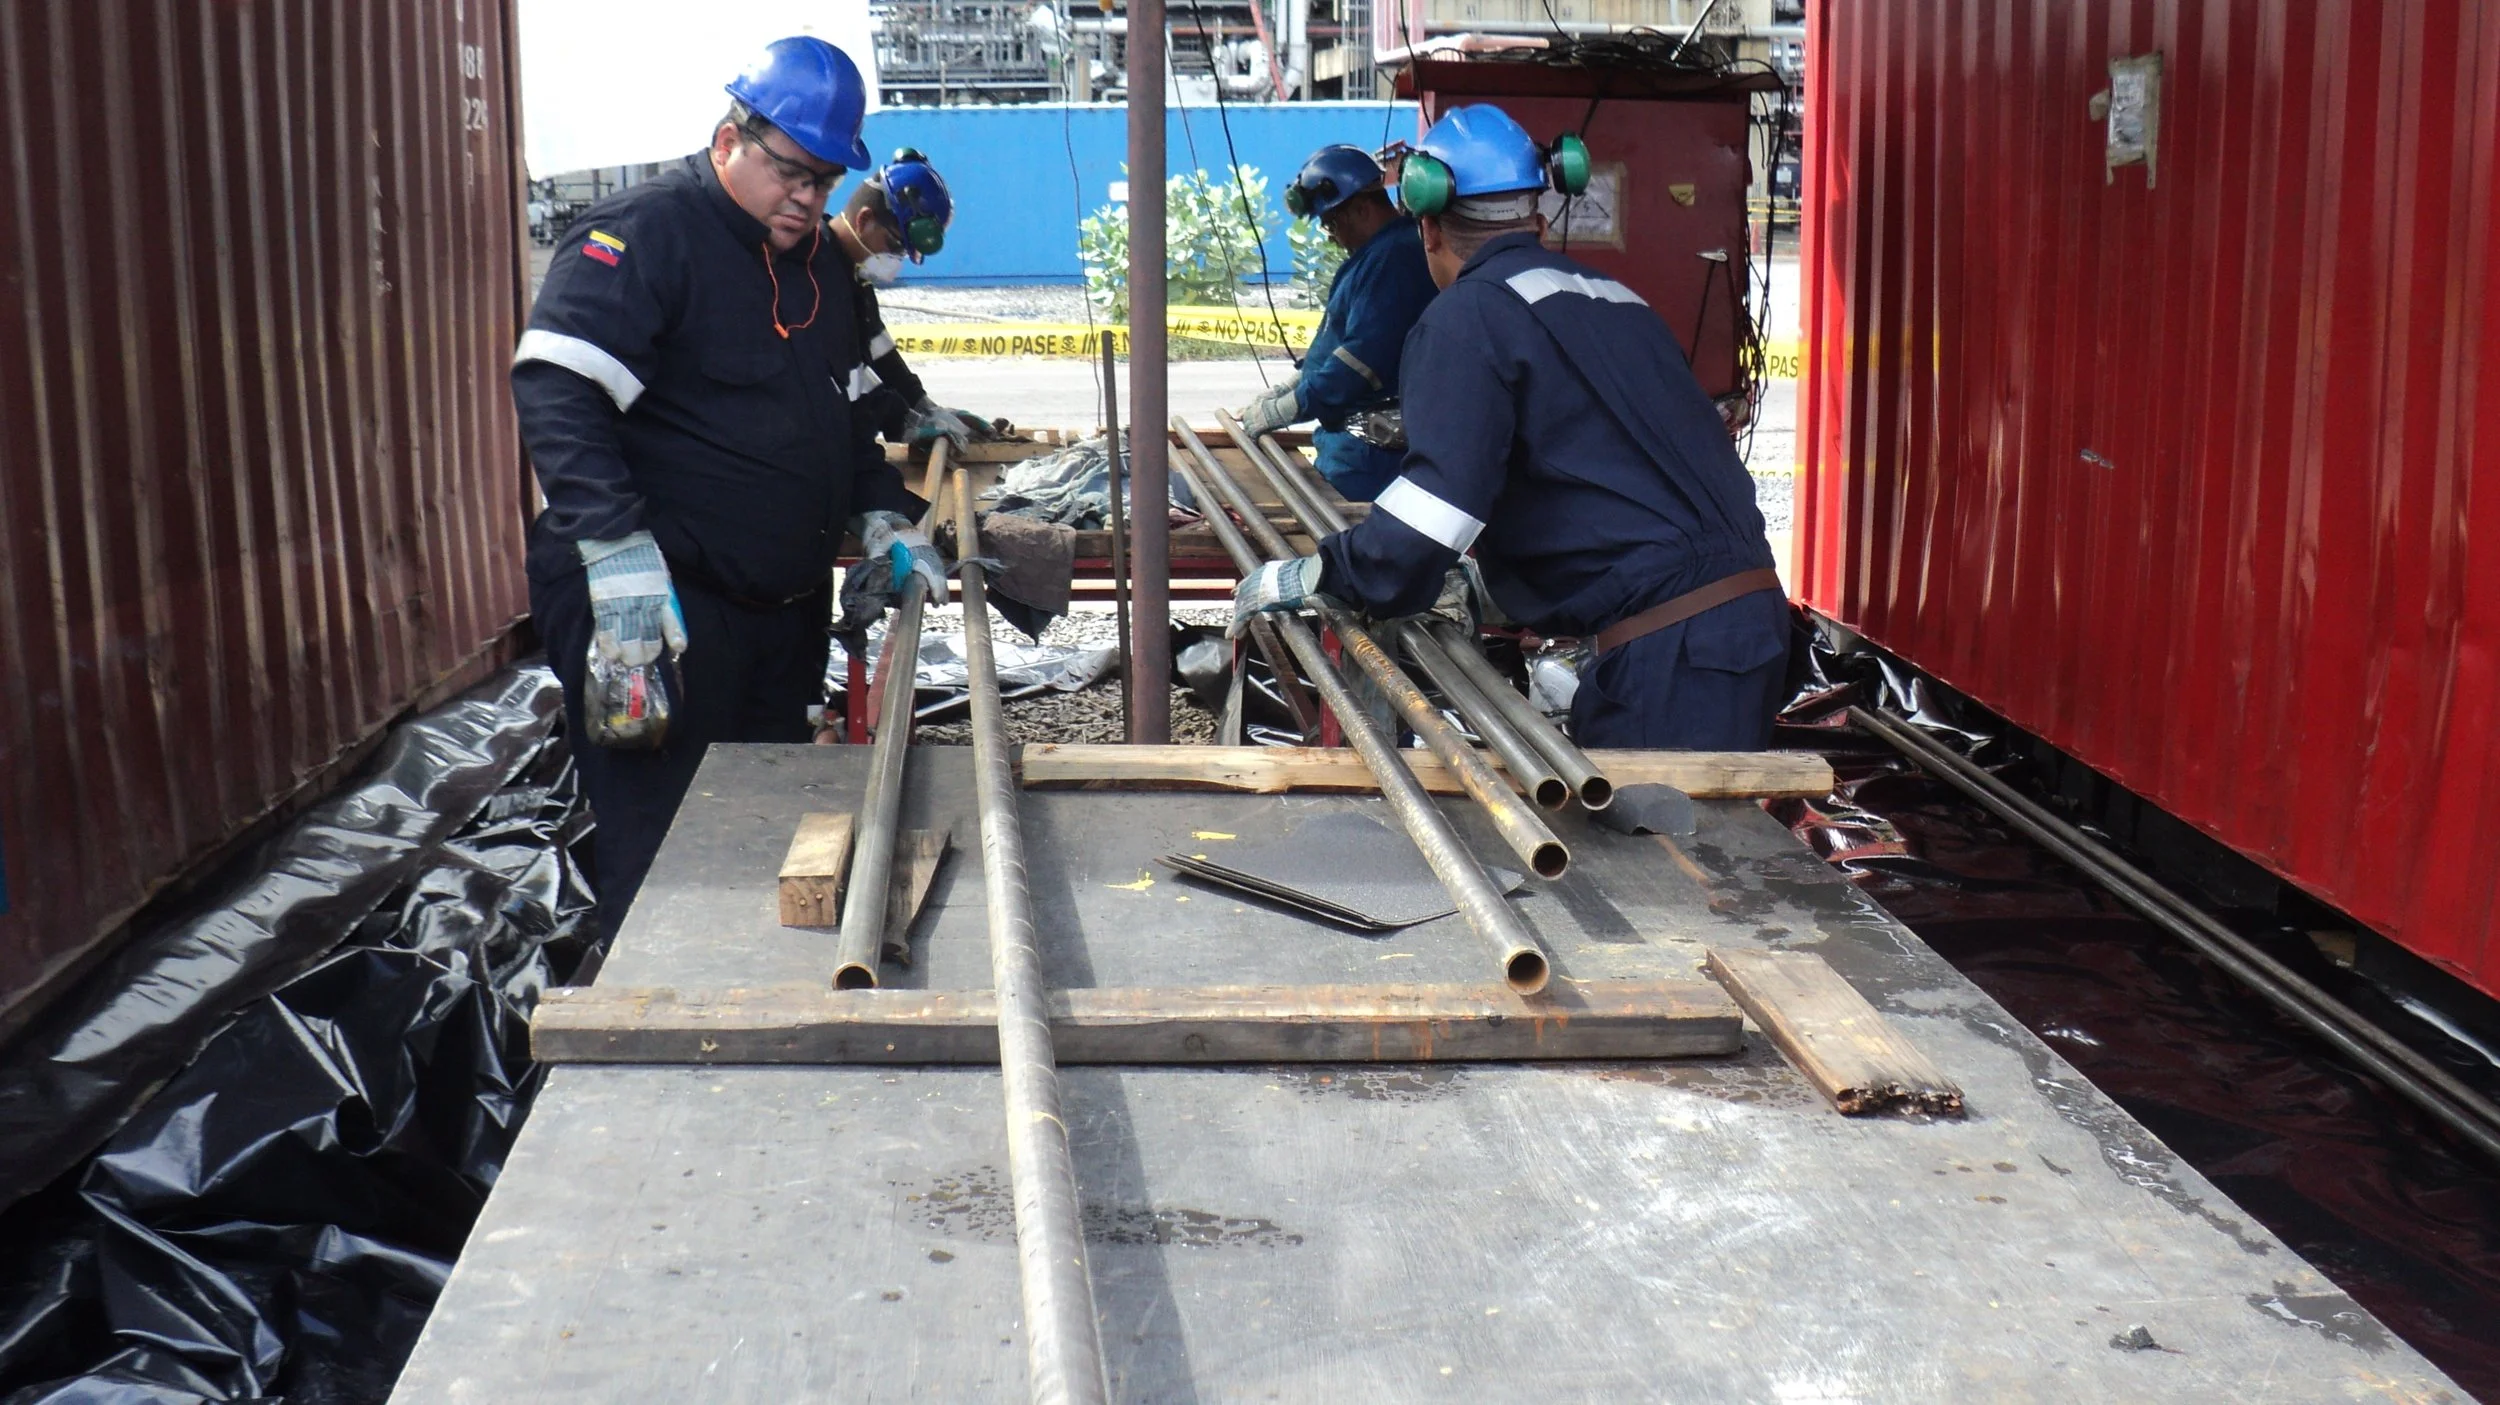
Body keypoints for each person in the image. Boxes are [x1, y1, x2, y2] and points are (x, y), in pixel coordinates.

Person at [512, 36, 947, 931]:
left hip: (773, 611)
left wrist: (880, 518)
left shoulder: (820, 268)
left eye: (824, 181)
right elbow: (557, 386)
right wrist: (615, 553)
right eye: (790, 172)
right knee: (663, 842)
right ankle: (655, 1024)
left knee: (763, 826)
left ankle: (744, 1007)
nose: (806, 197)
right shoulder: (649, 233)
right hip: (661, 606)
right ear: (727, 142)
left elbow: (845, 416)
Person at [1231, 105, 1787, 750]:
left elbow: (1435, 513)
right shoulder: (1614, 297)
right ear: (1539, 216)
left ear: (1428, 228)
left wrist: (1322, 574)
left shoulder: (1466, 316)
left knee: (1651, 849)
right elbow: (1595, 471)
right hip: (1744, 621)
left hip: (1672, 650)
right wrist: (1491, 583)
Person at [1233, 144, 1440, 501]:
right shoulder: (1380, 254)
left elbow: (1362, 360)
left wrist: (1291, 406)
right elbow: (1342, 344)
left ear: (1361, 208)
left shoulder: (1394, 259)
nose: (1332, 235)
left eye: (1333, 223)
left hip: (1373, 459)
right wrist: (1295, 384)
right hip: (1355, 451)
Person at [824, 148, 992, 449]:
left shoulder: (853, 274)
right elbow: (844, 372)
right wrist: (904, 421)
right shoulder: (815, 273)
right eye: (895, 244)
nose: (896, 259)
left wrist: (924, 406)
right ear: (864, 220)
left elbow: (879, 351)